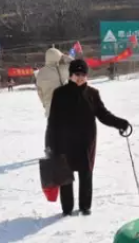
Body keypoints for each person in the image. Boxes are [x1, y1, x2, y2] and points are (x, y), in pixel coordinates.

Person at [46, 59, 130, 216]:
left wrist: (120, 123)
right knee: (65, 176)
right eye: (76, 74)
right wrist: (49, 143)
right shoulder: (59, 94)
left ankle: (85, 206)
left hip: (86, 141)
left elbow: (103, 115)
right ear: (70, 75)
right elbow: (52, 121)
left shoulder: (92, 94)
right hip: (64, 142)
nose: (80, 77)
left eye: (83, 74)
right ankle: (67, 208)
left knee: (86, 173)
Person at [36, 47, 72, 118]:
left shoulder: (41, 72)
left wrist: (44, 104)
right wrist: (64, 56)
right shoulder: (63, 69)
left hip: (49, 106)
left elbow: (39, 91)